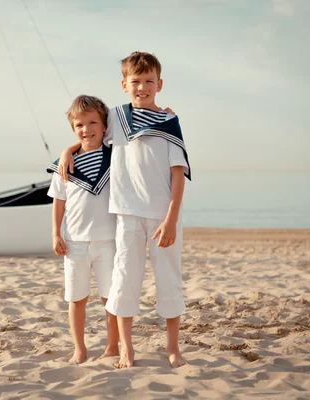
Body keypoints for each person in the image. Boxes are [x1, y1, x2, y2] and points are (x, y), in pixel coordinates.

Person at [58, 51, 191, 369]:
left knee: (168, 279)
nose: (142, 87)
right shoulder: (116, 116)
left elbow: (177, 173)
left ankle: (172, 348)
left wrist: (171, 219)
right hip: (126, 214)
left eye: (148, 81)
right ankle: (127, 350)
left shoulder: (170, 121)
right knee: (124, 280)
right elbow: (90, 132)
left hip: (163, 217)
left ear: (160, 84)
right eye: (135, 82)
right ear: (123, 84)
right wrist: (68, 149)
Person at [46, 94, 119, 364]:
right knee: (76, 299)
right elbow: (59, 202)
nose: (86, 130)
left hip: (108, 241)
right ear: (73, 128)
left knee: (110, 298)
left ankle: (112, 346)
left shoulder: (114, 156)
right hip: (74, 243)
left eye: (92, 123)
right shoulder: (65, 164)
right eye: (79, 125)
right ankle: (80, 349)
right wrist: (56, 233)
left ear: (104, 126)